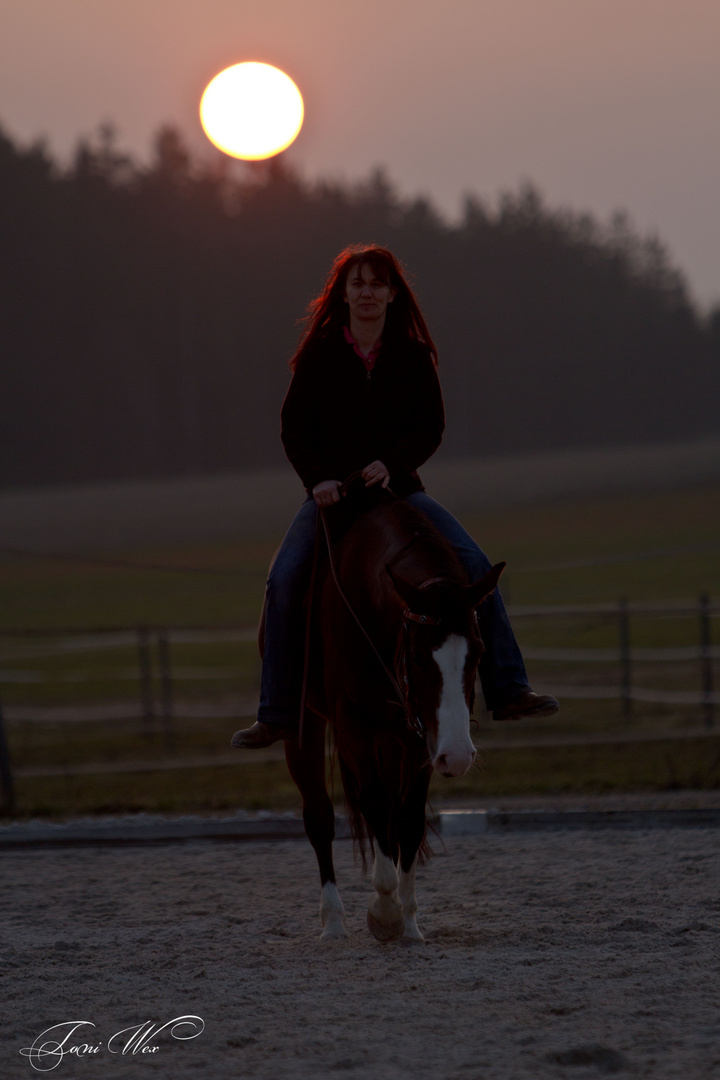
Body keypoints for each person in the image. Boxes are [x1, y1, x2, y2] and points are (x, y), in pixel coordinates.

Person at [232, 245, 558, 749]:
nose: (367, 292)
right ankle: (276, 712)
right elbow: (293, 429)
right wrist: (317, 479)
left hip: (398, 492)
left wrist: (394, 463)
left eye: (377, 284)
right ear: (342, 293)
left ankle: (509, 687)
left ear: (392, 294)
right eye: (358, 283)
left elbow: (431, 427)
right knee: (283, 579)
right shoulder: (319, 356)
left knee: (473, 565)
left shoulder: (412, 355)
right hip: (332, 497)